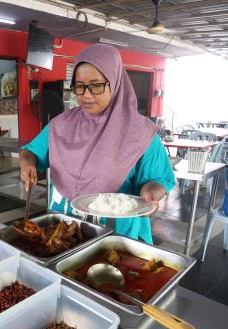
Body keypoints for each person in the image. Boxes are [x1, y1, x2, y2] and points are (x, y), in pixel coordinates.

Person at [19, 43, 175, 244]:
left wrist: (151, 192)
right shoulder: (60, 125)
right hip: (61, 231)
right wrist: (27, 163)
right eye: (79, 85)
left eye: (96, 85)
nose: (86, 94)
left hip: (115, 235)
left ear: (115, 82)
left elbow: (159, 179)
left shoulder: (141, 134)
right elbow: (30, 152)